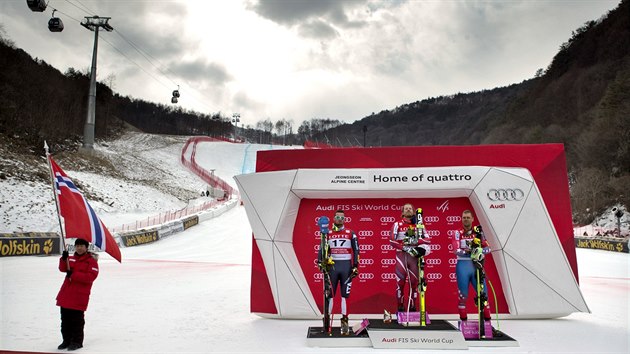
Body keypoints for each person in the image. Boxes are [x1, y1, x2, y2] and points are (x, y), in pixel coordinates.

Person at [318, 209, 359, 335]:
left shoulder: (351, 233)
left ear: (345, 220)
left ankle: (344, 324)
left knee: (345, 296)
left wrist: (356, 266)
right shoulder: (327, 233)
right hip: (332, 267)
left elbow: (356, 250)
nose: (340, 220)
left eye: (342, 218)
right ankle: (326, 322)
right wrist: (320, 261)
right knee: (329, 295)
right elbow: (322, 248)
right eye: (337, 217)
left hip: (346, 267)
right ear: (333, 219)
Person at [56, 238, 99, 351]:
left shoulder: (91, 261)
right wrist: (63, 259)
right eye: (77, 246)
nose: (79, 248)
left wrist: (74, 274)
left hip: (79, 296)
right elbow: (62, 268)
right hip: (66, 294)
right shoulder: (71, 259)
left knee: (77, 321)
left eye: (81, 246)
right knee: (65, 321)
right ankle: (66, 340)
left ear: (86, 247)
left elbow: (90, 277)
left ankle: (76, 342)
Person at [389, 203, 431, 312]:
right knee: (400, 283)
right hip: (401, 255)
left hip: (414, 256)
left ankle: (413, 307)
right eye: (406, 209)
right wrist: (405, 247)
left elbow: (428, 240)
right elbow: (392, 241)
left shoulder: (419, 225)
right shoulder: (397, 224)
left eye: (410, 209)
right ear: (402, 212)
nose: (408, 210)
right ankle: (400, 307)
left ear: (413, 212)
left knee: (414, 283)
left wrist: (416, 242)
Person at [452, 210, 491, 325]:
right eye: (464, 217)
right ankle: (464, 322)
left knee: (483, 294)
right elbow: (456, 250)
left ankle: (488, 323)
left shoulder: (479, 232)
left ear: (472, 219)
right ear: (461, 219)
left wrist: (480, 251)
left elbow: (488, 248)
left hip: (476, 266)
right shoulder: (457, 233)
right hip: (463, 266)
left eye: (468, 217)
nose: (466, 219)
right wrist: (470, 252)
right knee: (463, 295)